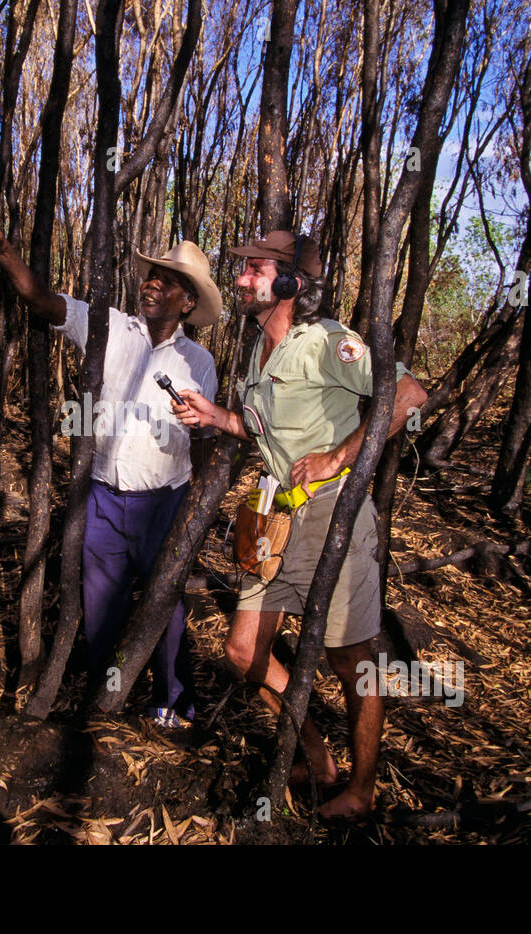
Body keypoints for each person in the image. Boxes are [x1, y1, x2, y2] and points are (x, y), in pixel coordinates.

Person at [171, 232, 428, 818]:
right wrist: (217, 416)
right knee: (241, 651)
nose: (239, 279)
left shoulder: (327, 341)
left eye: (253, 268)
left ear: (290, 282)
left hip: (332, 513)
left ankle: (361, 791)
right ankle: (315, 754)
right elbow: (267, 433)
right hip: (277, 518)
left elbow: (408, 394)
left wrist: (340, 456)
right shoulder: (259, 355)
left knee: (349, 660)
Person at [0, 199, 219, 728]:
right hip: (102, 497)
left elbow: (197, 435)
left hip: (162, 501)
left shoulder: (199, 362)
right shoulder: (109, 327)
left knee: (165, 607)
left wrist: (194, 423)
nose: (151, 284)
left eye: (167, 281)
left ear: (188, 302)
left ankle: (174, 702)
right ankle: (110, 698)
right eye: (151, 275)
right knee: (101, 606)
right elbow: (41, 299)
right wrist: (2, 246)